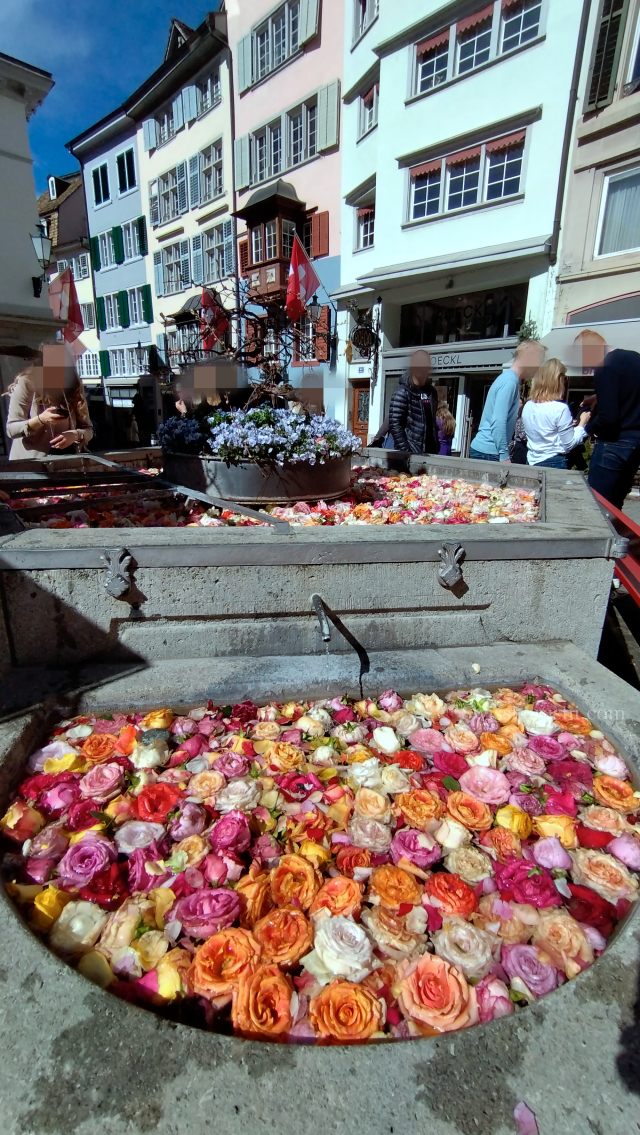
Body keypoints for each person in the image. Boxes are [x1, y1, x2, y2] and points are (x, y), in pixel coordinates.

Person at [470, 340, 545, 462]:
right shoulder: (510, 382)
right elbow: (498, 421)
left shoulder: (509, 379)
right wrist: (504, 455)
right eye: (538, 362)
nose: (538, 368)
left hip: (487, 450)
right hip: (489, 452)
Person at [5, 359, 93, 461]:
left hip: (67, 463)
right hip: (32, 465)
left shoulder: (74, 385)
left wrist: (75, 435)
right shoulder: (27, 383)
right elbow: (11, 430)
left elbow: (88, 429)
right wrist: (40, 420)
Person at [588, 347, 640, 509]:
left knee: (597, 506)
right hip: (636, 442)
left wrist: (586, 428)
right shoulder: (634, 359)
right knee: (616, 507)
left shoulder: (604, 366)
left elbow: (608, 418)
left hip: (613, 442)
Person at [521, 358, 590, 468]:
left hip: (532, 460)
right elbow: (569, 445)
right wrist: (582, 424)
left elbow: (541, 430)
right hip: (553, 461)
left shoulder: (528, 405)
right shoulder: (560, 408)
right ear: (558, 381)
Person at [389, 349, 439, 454]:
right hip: (411, 452)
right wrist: (406, 451)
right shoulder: (403, 391)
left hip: (430, 452)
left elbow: (432, 422)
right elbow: (395, 424)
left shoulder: (432, 392)